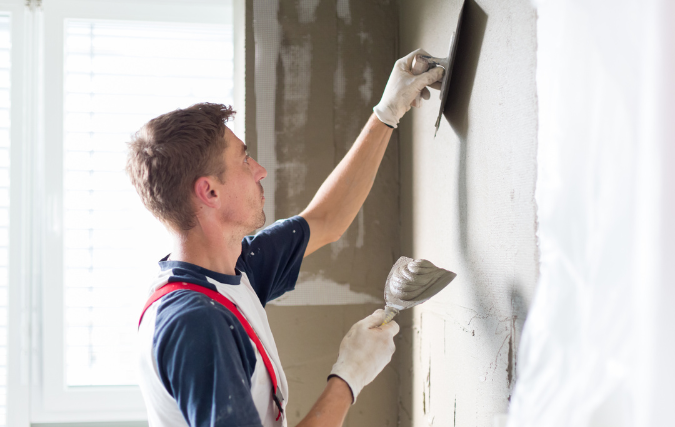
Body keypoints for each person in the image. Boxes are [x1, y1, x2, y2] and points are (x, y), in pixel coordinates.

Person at [128, 49, 443, 427]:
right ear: (209, 192)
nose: (259, 170)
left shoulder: (228, 271)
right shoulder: (196, 325)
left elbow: (325, 219)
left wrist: (387, 112)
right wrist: (347, 378)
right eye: (244, 160)